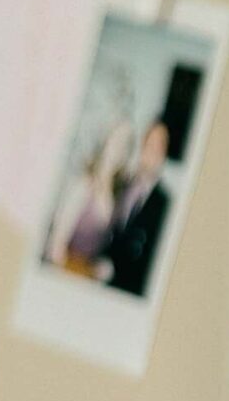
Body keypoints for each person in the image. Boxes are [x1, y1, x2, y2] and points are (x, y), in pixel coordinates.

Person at [46, 118, 133, 274]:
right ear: (107, 141)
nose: (120, 149)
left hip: (88, 276)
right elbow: (56, 243)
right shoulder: (84, 185)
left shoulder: (118, 196)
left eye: (126, 145)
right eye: (117, 140)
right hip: (66, 269)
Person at [102, 116, 173, 298]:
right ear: (142, 146)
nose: (152, 152)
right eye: (150, 144)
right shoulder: (124, 185)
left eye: (159, 147)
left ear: (164, 153)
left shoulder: (164, 204)